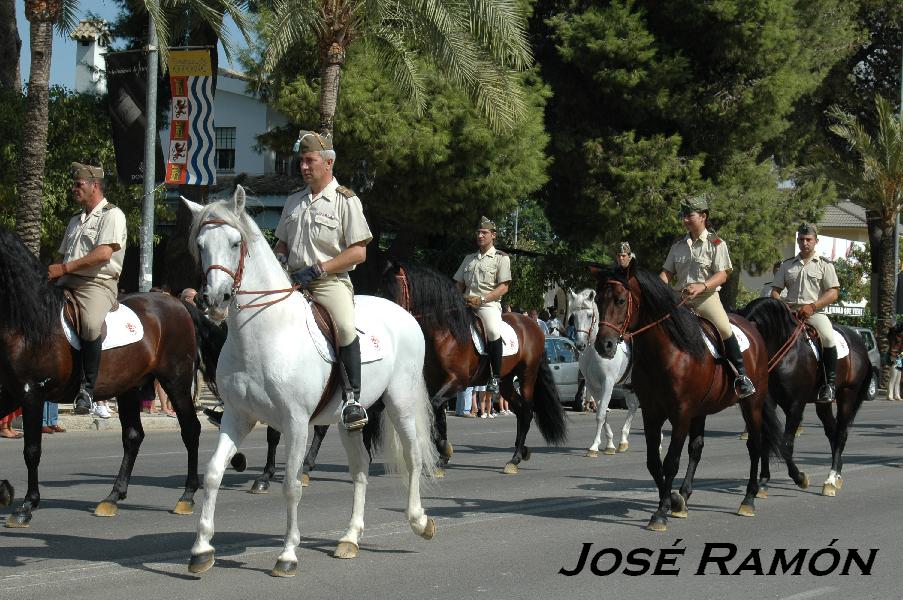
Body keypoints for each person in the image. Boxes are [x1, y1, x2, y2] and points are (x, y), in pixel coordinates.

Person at [274, 130, 373, 430]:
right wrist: (280, 260)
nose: (303, 166)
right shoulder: (293, 201)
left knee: (344, 327)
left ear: (328, 163)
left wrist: (320, 268)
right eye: (301, 161)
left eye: (310, 160)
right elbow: (281, 244)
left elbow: (358, 252)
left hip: (329, 282)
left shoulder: (345, 200)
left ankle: (352, 399)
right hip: (292, 281)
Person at [48, 163, 127, 419]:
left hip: (97, 284)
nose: (74, 188)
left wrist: (64, 268)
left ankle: (88, 389)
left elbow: (103, 254)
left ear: (95, 186)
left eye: (78, 184)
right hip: (67, 281)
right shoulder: (75, 219)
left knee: (91, 324)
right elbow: (62, 256)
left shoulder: (112, 215)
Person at [660, 193, 755, 398]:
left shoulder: (716, 243)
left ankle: (741, 376)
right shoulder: (677, 245)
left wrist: (702, 286)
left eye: (690, 215)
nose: (685, 220)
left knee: (724, 328)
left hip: (706, 298)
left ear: (703, 216)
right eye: (684, 216)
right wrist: (658, 289)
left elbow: (722, 275)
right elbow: (667, 273)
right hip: (679, 299)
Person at [771, 223, 841, 403]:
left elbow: (833, 292)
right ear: (797, 241)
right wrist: (782, 306)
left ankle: (829, 385)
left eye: (808, 239)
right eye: (801, 239)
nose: (805, 243)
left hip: (814, 314)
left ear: (816, 241)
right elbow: (775, 291)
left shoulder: (824, 265)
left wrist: (813, 306)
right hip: (789, 313)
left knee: (828, 338)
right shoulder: (787, 265)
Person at [454, 216, 512, 394]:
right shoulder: (469, 259)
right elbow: (458, 284)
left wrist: (483, 300)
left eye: (484, 232)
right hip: (465, 303)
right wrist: (455, 298)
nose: (480, 235)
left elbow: (503, 287)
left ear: (493, 235)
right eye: (478, 232)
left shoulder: (501, 258)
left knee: (493, 331)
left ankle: (495, 376)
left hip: (487, 305)